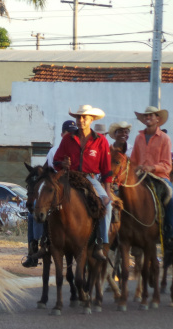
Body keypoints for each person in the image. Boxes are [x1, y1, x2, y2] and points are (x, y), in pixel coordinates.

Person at [53, 105, 113, 261]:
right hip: (69, 177)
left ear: (91, 119)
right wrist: (62, 164)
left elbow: (106, 169)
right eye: (78, 117)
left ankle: (101, 242)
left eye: (84, 118)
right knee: (46, 199)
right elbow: (56, 161)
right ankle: (43, 242)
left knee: (107, 204)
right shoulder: (68, 138)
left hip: (90, 178)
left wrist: (107, 191)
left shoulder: (101, 141)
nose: (81, 120)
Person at [24, 120, 78, 267]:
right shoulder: (54, 151)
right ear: (62, 134)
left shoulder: (79, 148)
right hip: (54, 188)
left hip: (75, 185)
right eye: (68, 132)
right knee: (32, 212)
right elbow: (47, 172)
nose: (71, 135)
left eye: (74, 132)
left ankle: (98, 242)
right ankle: (34, 249)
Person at [130, 106, 173, 256]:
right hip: (140, 177)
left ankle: (170, 234)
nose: (148, 118)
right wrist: (136, 168)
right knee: (123, 196)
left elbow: (167, 165)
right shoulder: (138, 138)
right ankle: (123, 233)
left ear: (158, 119)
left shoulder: (165, 139)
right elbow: (133, 161)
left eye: (151, 116)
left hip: (159, 177)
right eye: (146, 116)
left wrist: (151, 167)